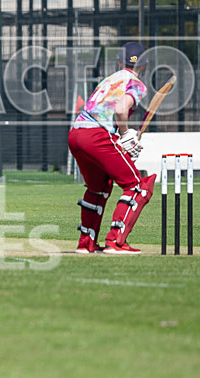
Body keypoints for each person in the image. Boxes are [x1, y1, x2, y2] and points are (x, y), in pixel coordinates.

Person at [67, 42, 156, 254]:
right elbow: (120, 109)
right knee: (137, 186)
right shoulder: (136, 84)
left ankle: (86, 244)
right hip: (97, 135)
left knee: (98, 187)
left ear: (119, 61)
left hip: (76, 133)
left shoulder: (109, 79)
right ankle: (115, 242)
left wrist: (120, 136)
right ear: (143, 66)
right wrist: (125, 135)